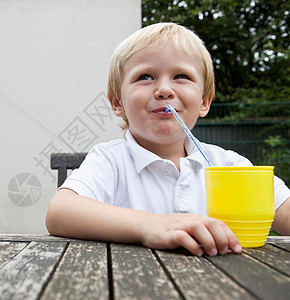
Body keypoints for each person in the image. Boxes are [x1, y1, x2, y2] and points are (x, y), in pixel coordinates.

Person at [45, 22, 290, 257]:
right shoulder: (110, 161)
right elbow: (59, 212)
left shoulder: (227, 164)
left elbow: (284, 210)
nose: (164, 90)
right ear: (118, 102)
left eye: (181, 75)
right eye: (145, 77)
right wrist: (149, 226)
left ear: (204, 101)